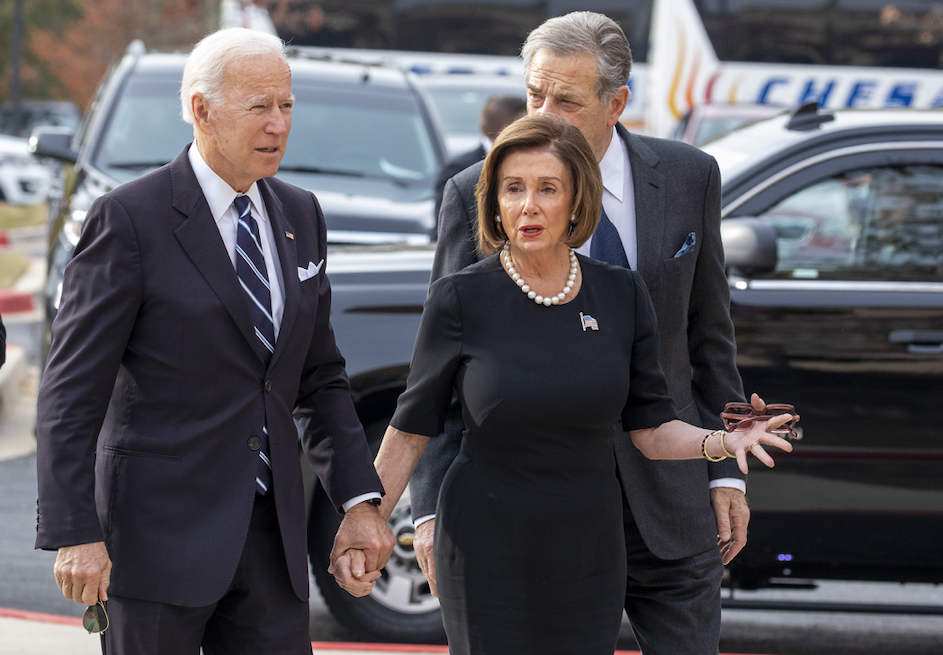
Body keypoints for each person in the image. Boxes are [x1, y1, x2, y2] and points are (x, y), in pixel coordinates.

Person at [333, 113, 793, 654]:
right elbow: (411, 427)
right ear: (494, 204)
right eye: (513, 189)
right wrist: (364, 519)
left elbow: (651, 429)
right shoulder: (460, 298)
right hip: (485, 542)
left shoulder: (622, 295)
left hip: (589, 546)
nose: (528, 205)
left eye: (547, 188)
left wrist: (721, 441)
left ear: (577, 201)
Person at [35, 28, 394, 655]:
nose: (279, 124)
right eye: (259, 107)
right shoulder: (129, 219)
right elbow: (71, 391)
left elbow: (318, 378)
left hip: (271, 544)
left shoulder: (301, 214)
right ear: (202, 110)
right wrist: (74, 532)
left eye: (286, 105)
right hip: (155, 545)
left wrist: (359, 504)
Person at [410, 12, 749, 654]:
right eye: (534, 95)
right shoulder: (480, 192)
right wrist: (428, 511)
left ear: (616, 104)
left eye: (565, 100)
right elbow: (440, 376)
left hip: (670, 507)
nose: (543, 114)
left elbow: (710, 339)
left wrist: (726, 472)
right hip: (529, 512)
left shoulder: (689, 177)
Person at [433, 94, 526, 220]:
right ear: (505, 130)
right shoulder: (459, 170)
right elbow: (446, 224)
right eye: (526, 127)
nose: (533, 133)